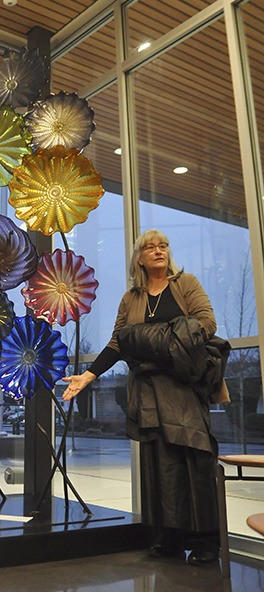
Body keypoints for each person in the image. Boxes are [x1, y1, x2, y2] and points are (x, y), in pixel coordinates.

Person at [62, 229, 229, 566]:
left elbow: (206, 324)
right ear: (139, 257)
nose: (158, 251)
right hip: (148, 391)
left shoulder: (186, 284)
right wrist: (89, 375)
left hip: (183, 387)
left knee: (195, 460)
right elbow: (118, 343)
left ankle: (207, 540)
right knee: (160, 464)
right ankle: (169, 537)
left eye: (163, 245)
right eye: (150, 247)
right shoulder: (131, 298)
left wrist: (151, 341)